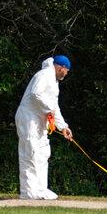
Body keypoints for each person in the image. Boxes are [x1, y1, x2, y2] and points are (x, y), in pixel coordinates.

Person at [15, 55, 73, 199]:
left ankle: (41, 190)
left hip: (40, 122)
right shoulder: (43, 75)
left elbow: (54, 107)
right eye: (67, 71)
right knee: (30, 154)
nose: (66, 74)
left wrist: (63, 126)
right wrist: (49, 110)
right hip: (28, 119)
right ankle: (28, 192)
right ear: (61, 68)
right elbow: (36, 94)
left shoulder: (54, 82)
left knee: (42, 155)